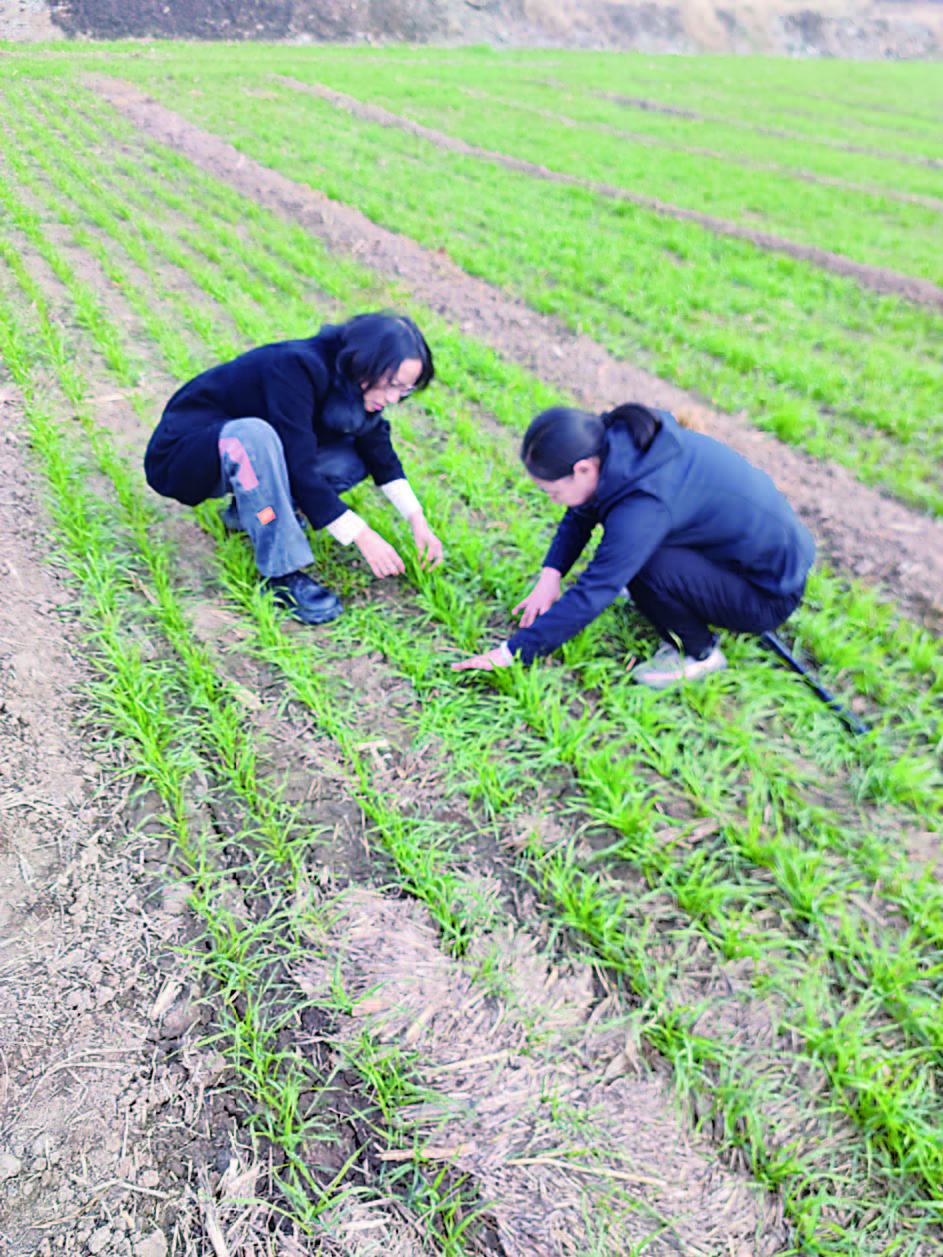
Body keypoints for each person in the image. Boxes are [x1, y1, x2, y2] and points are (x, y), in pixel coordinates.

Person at [453, 403, 815, 687]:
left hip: (764, 594)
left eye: (553, 492)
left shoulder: (644, 503)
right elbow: (583, 508)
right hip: (730, 556)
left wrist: (512, 652)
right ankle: (687, 596)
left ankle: (700, 654)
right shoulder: (617, 445)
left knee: (643, 568)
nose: (552, 500)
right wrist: (551, 574)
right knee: (633, 556)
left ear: (582, 469)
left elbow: (595, 592)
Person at [144, 312, 443, 623]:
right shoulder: (295, 367)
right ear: (366, 363)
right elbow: (298, 466)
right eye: (392, 385)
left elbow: (379, 451)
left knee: (350, 459)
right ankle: (282, 573)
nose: (394, 398)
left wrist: (417, 519)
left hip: (246, 457)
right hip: (187, 455)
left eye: (405, 390)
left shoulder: (353, 382)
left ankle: (248, 515)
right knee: (254, 436)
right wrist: (361, 534)